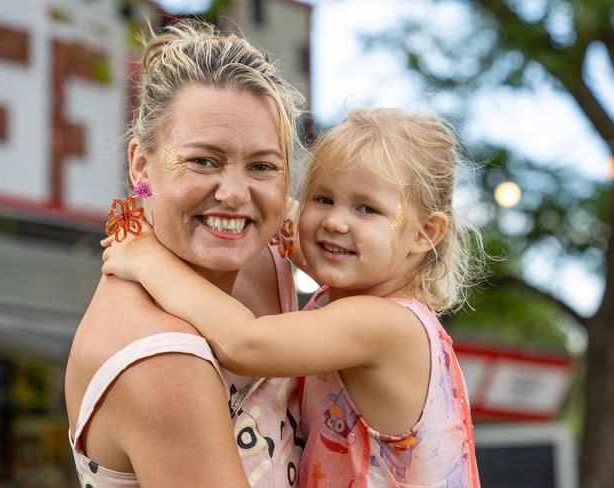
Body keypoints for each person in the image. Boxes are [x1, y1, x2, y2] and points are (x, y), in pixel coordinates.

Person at [101, 107, 484, 487]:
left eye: (366, 209)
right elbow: (274, 209)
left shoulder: (387, 326)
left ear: (425, 233)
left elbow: (245, 342)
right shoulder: (358, 283)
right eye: (323, 199)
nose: (335, 221)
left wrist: (148, 261)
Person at [65, 20, 306, 488]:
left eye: (262, 166)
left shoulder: (263, 252)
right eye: (203, 161)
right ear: (140, 163)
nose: (235, 194)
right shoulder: (160, 359)